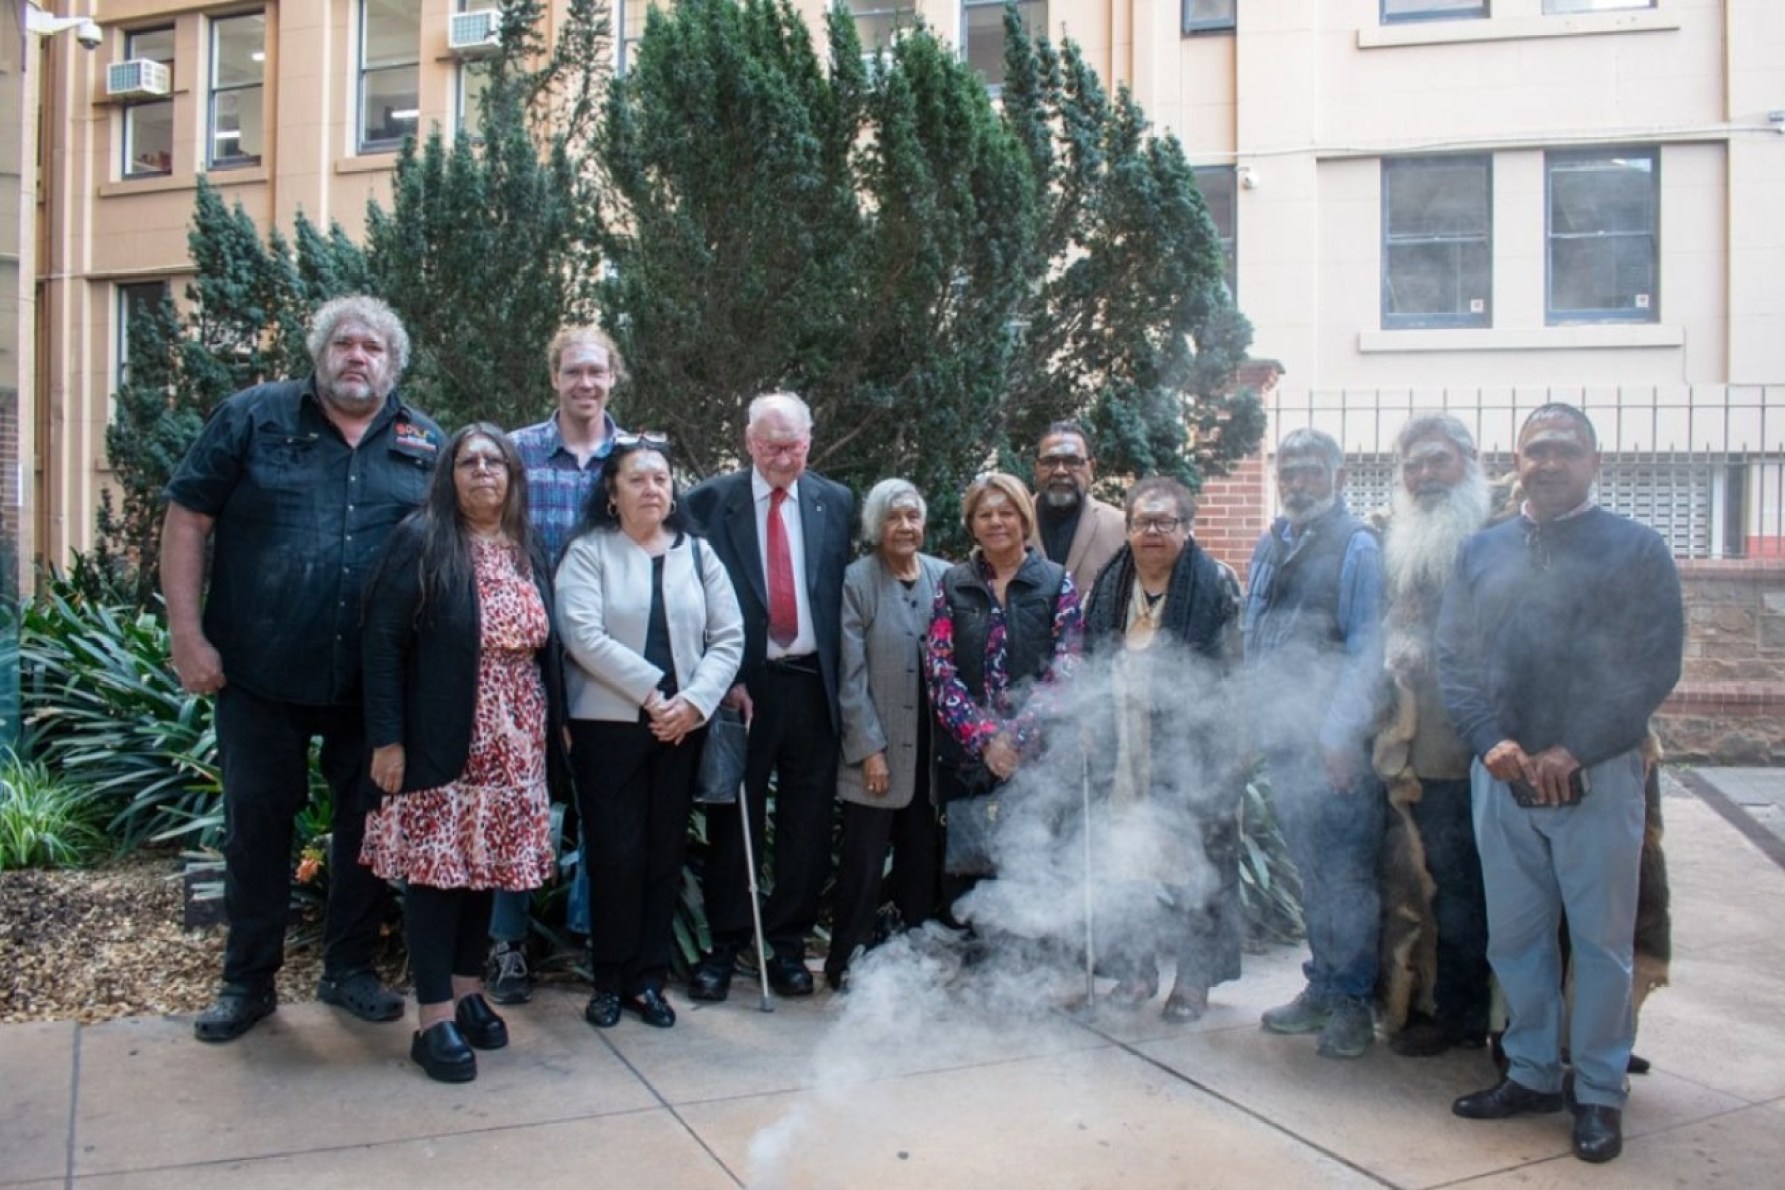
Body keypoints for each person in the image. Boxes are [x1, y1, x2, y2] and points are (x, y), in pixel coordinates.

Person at [163, 294, 442, 1043]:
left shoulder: (425, 441)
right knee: (256, 825)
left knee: (367, 829)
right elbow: (188, 516)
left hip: (371, 688)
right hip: (258, 672)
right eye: (345, 343)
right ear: (320, 354)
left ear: (393, 364)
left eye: (373, 347)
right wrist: (186, 634)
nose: (358, 356)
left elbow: (452, 556)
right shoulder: (253, 417)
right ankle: (246, 981)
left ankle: (348, 968)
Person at [1438, 403, 1683, 1164]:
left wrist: (1574, 748)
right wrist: (1489, 742)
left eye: (1563, 450)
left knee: (1600, 945)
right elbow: (1454, 656)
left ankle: (1599, 1092)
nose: (1546, 462)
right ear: (1516, 461)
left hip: (1598, 776)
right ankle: (1534, 1071)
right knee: (1515, 939)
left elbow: (1653, 664)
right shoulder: (1481, 551)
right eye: (1532, 450)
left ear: (1594, 462)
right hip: (1502, 777)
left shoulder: (1636, 549)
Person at [359, 424, 561, 1083]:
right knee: (436, 875)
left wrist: (555, 729)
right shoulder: (422, 540)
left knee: (484, 869)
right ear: (448, 475)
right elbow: (382, 644)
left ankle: (470, 990)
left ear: (512, 476)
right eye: (467, 462)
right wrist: (387, 740)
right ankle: (434, 1017)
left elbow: (545, 647)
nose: (482, 472)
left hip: (516, 741)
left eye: (494, 462)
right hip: (443, 736)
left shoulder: (528, 545)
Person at [556, 434, 744, 1029]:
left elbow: (729, 636)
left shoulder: (698, 553)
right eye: (637, 479)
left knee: (664, 855)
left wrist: (691, 703)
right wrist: (653, 692)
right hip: (607, 726)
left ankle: (648, 980)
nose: (651, 489)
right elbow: (581, 634)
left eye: (661, 479)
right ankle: (609, 979)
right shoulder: (589, 552)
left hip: (680, 729)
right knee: (615, 854)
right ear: (612, 493)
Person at [681, 392, 855, 1001]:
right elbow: (691, 605)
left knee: (807, 826)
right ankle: (726, 946)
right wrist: (720, 680)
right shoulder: (706, 503)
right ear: (749, 441)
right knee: (735, 822)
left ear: (810, 438)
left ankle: (785, 947)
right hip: (741, 690)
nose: (783, 458)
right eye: (771, 446)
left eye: (795, 446)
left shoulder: (835, 501)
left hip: (813, 687)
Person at [486, 324, 627, 1005]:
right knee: (522, 804)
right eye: (573, 372)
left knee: (606, 805)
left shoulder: (634, 459)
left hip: (608, 668)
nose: (585, 384)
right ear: (554, 378)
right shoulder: (514, 455)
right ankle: (507, 945)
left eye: (596, 372)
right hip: (524, 664)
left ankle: (600, 939)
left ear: (612, 378)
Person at [1243, 428, 1386, 1059]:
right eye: (1289, 471)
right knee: (1311, 869)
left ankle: (1353, 999)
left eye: (1311, 471)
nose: (1298, 482)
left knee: (1347, 874)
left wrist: (1339, 736)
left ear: (1340, 476)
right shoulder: (1272, 543)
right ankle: (1323, 985)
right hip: (1283, 733)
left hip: (1332, 741)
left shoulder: (1358, 547)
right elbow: (1254, 633)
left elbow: (1366, 650)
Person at [1081, 478, 1244, 1023]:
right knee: (1127, 859)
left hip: (1197, 748)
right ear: (1126, 529)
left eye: (1164, 522)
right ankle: (1137, 970)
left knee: (1198, 864)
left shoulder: (1216, 583)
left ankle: (1194, 979)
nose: (1152, 532)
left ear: (1187, 528)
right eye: (1141, 522)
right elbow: (1088, 665)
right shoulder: (1107, 587)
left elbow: (1238, 673)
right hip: (1125, 745)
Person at [1370, 415, 1494, 1057]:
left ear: (1471, 461)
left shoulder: (1501, 536)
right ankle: (1456, 1011)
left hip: (1502, 749)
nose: (1423, 477)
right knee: (1445, 885)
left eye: (1437, 461)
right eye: (1412, 466)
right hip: (1430, 751)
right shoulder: (1397, 541)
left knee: (1512, 893)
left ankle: (1519, 1023)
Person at [925, 472, 1081, 907]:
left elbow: (1067, 666)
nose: (996, 522)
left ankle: (1028, 969)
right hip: (968, 758)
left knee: (1032, 865)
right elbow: (940, 669)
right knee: (969, 868)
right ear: (972, 523)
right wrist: (985, 739)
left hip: (1035, 758)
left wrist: (1016, 737)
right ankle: (977, 967)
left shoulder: (1054, 582)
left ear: (1023, 519)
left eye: (1006, 512)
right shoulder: (953, 584)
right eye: (985, 514)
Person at [827, 479, 950, 992]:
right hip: (875, 755)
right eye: (894, 518)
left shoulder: (945, 576)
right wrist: (869, 750)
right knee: (863, 866)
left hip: (930, 756)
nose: (905, 527)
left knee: (923, 865)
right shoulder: (858, 580)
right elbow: (849, 678)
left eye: (912, 517)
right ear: (877, 527)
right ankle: (846, 961)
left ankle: (915, 961)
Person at [1030, 421, 1128, 593]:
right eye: (1049, 461)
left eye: (1072, 461)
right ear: (1036, 467)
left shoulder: (1121, 528)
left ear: (1091, 467)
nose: (1060, 471)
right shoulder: (1007, 524)